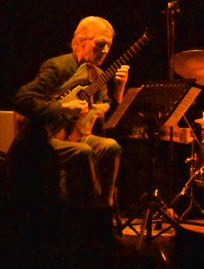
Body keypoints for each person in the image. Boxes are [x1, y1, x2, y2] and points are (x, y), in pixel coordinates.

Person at [12, 16, 129, 210]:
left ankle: (105, 206)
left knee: (111, 146)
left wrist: (119, 89)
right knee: (83, 151)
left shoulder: (98, 75)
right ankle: (88, 213)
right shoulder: (58, 67)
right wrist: (63, 108)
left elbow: (108, 120)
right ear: (81, 41)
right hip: (44, 138)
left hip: (77, 135)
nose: (106, 50)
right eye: (100, 44)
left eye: (109, 45)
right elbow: (22, 99)